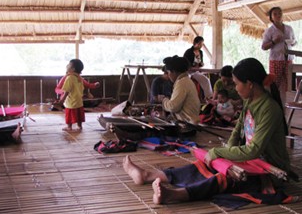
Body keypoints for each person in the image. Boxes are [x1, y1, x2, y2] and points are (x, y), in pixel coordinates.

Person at [123, 58, 294, 205]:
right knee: (204, 164)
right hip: (252, 160)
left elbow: (254, 149)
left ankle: (176, 195)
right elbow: (238, 130)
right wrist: (224, 154)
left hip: (269, 169)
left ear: (249, 84)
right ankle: (147, 175)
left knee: (224, 178)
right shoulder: (250, 101)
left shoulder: (269, 108)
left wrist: (218, 152)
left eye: (236, 83)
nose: (234, 88)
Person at [261, 6, 297, 104]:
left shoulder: (289, 28)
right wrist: (273, 42)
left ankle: (288, 105)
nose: (278, 15)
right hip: (276, 60)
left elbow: (294, 41)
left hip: (289, 59)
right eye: (275, 14)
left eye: (280, 13)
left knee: (289, 83)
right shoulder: (269, 31)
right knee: (275, 84)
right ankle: (274, 104)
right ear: (271, 17)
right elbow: (263, 47)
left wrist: (292, 42)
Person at [162, 55, 200, 124]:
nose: (169, 75)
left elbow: (173, 107)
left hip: (186, 125)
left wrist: (164, 101)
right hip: (189, 122)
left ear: (174, 72)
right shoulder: (186, 80)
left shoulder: (182, 83)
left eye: (169, 72)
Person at [58, 59, 86, 132]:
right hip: (79, 100)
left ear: (73, 69)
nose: (67, 66)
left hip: (71, 100)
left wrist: (62, 99)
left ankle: (69, 126)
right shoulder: (79, 77)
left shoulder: (70, 78)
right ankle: (79, 126)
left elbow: (67, 90)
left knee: (69, 113)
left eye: (69, 65)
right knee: (79, 113)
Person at [184, 36, 213, 101]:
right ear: (195, 43)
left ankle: (209, 97)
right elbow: (185, 63)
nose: (201, 45)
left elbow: (201, 62)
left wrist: (201, 64)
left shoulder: (201, 52)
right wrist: (192, 66)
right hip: (189, 71)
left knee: (206, 80)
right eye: (199, 44)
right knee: (187, 81)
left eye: (202, 44)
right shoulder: (188, 52)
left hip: (197, 71)